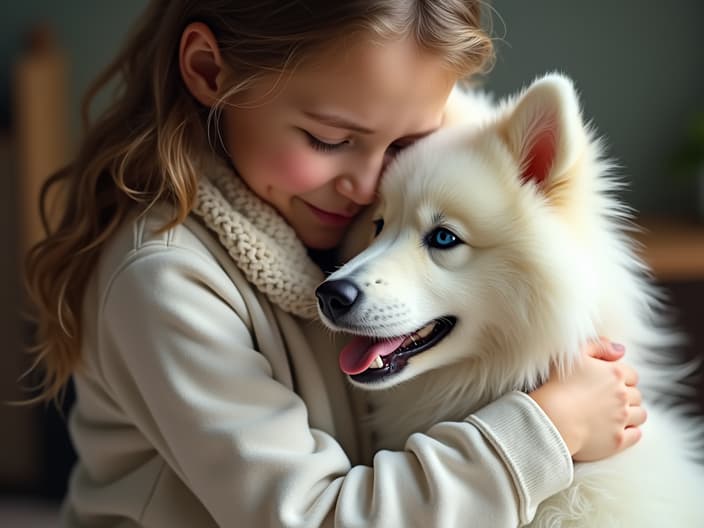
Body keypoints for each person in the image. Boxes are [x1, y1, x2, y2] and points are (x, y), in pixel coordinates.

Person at [25, 1, 647, 526]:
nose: (370, 182)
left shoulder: (313, 208)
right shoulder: (163, 282)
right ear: (211, 72)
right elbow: (312, 514)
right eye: (330, 140)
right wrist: (545, 432)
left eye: (404, 145)